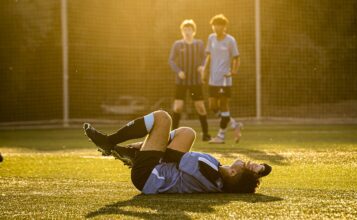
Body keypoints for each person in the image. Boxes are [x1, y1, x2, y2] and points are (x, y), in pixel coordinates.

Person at [83, 110, 272, 194]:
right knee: (187, 133)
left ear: (232, 172)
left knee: (162, 118)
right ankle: (132, 153)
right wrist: (259, 169)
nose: (246, 162)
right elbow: (254, 174)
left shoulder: (209, 170)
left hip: (146, 175)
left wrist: (141, 148)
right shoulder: (219, 178)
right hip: (155, 174)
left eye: (245, 165)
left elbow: (170, 155)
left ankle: (110, 142)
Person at [202, 14, 243, 144]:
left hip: (225, 79)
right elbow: (208, 56)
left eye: (219, 25)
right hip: (213, 79)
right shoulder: (211, 38)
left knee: (224, 106)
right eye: (214, 25)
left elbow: (237, 58)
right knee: (213, 106)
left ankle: (221, 136)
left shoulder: (230, 40)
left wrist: (234, 71)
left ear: (224, 26)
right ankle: (234, 124)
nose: (216, 27)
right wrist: (204, 70)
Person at [169, 19, 211, 141]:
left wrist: (202, 66)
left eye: (189, 29)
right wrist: (178, 71)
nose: (187, 32)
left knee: (200, 107)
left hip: (195, 82)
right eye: (185, 30)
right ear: (182, 31)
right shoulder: (177, 44)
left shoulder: (199, 44)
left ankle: (206, 134)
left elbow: (205, 58)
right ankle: (171, 136)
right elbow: (171, 60)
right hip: (181, 82)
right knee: (178, 107)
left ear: (194, 31)